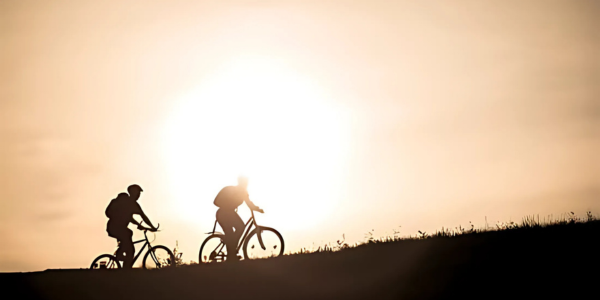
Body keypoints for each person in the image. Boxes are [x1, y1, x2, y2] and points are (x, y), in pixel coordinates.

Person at [105, 184, 157, 268]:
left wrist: (148, 226)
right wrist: (151, 227)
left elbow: (141, 216)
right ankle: (120, 256)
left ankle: (125, 267)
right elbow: (131, 217)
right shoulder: (124, 202)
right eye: (137, 193)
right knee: (128, 234)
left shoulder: (134, 205)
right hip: (114, 227)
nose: (138, 195)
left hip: (118, 228)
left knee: (130, 249)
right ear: (132, 193)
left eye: (139, 194)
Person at [214, 175, 263, 262]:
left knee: (236, 230)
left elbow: (249, 203)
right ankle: (231, 254)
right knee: (235, 230)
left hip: (226, 213)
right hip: (224, 214)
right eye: (245, 183)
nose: (246, 185)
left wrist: (257, 209)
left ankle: (232, 251)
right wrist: (227, 206)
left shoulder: (242, 192)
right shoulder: (232, 190)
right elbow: (215, 201)